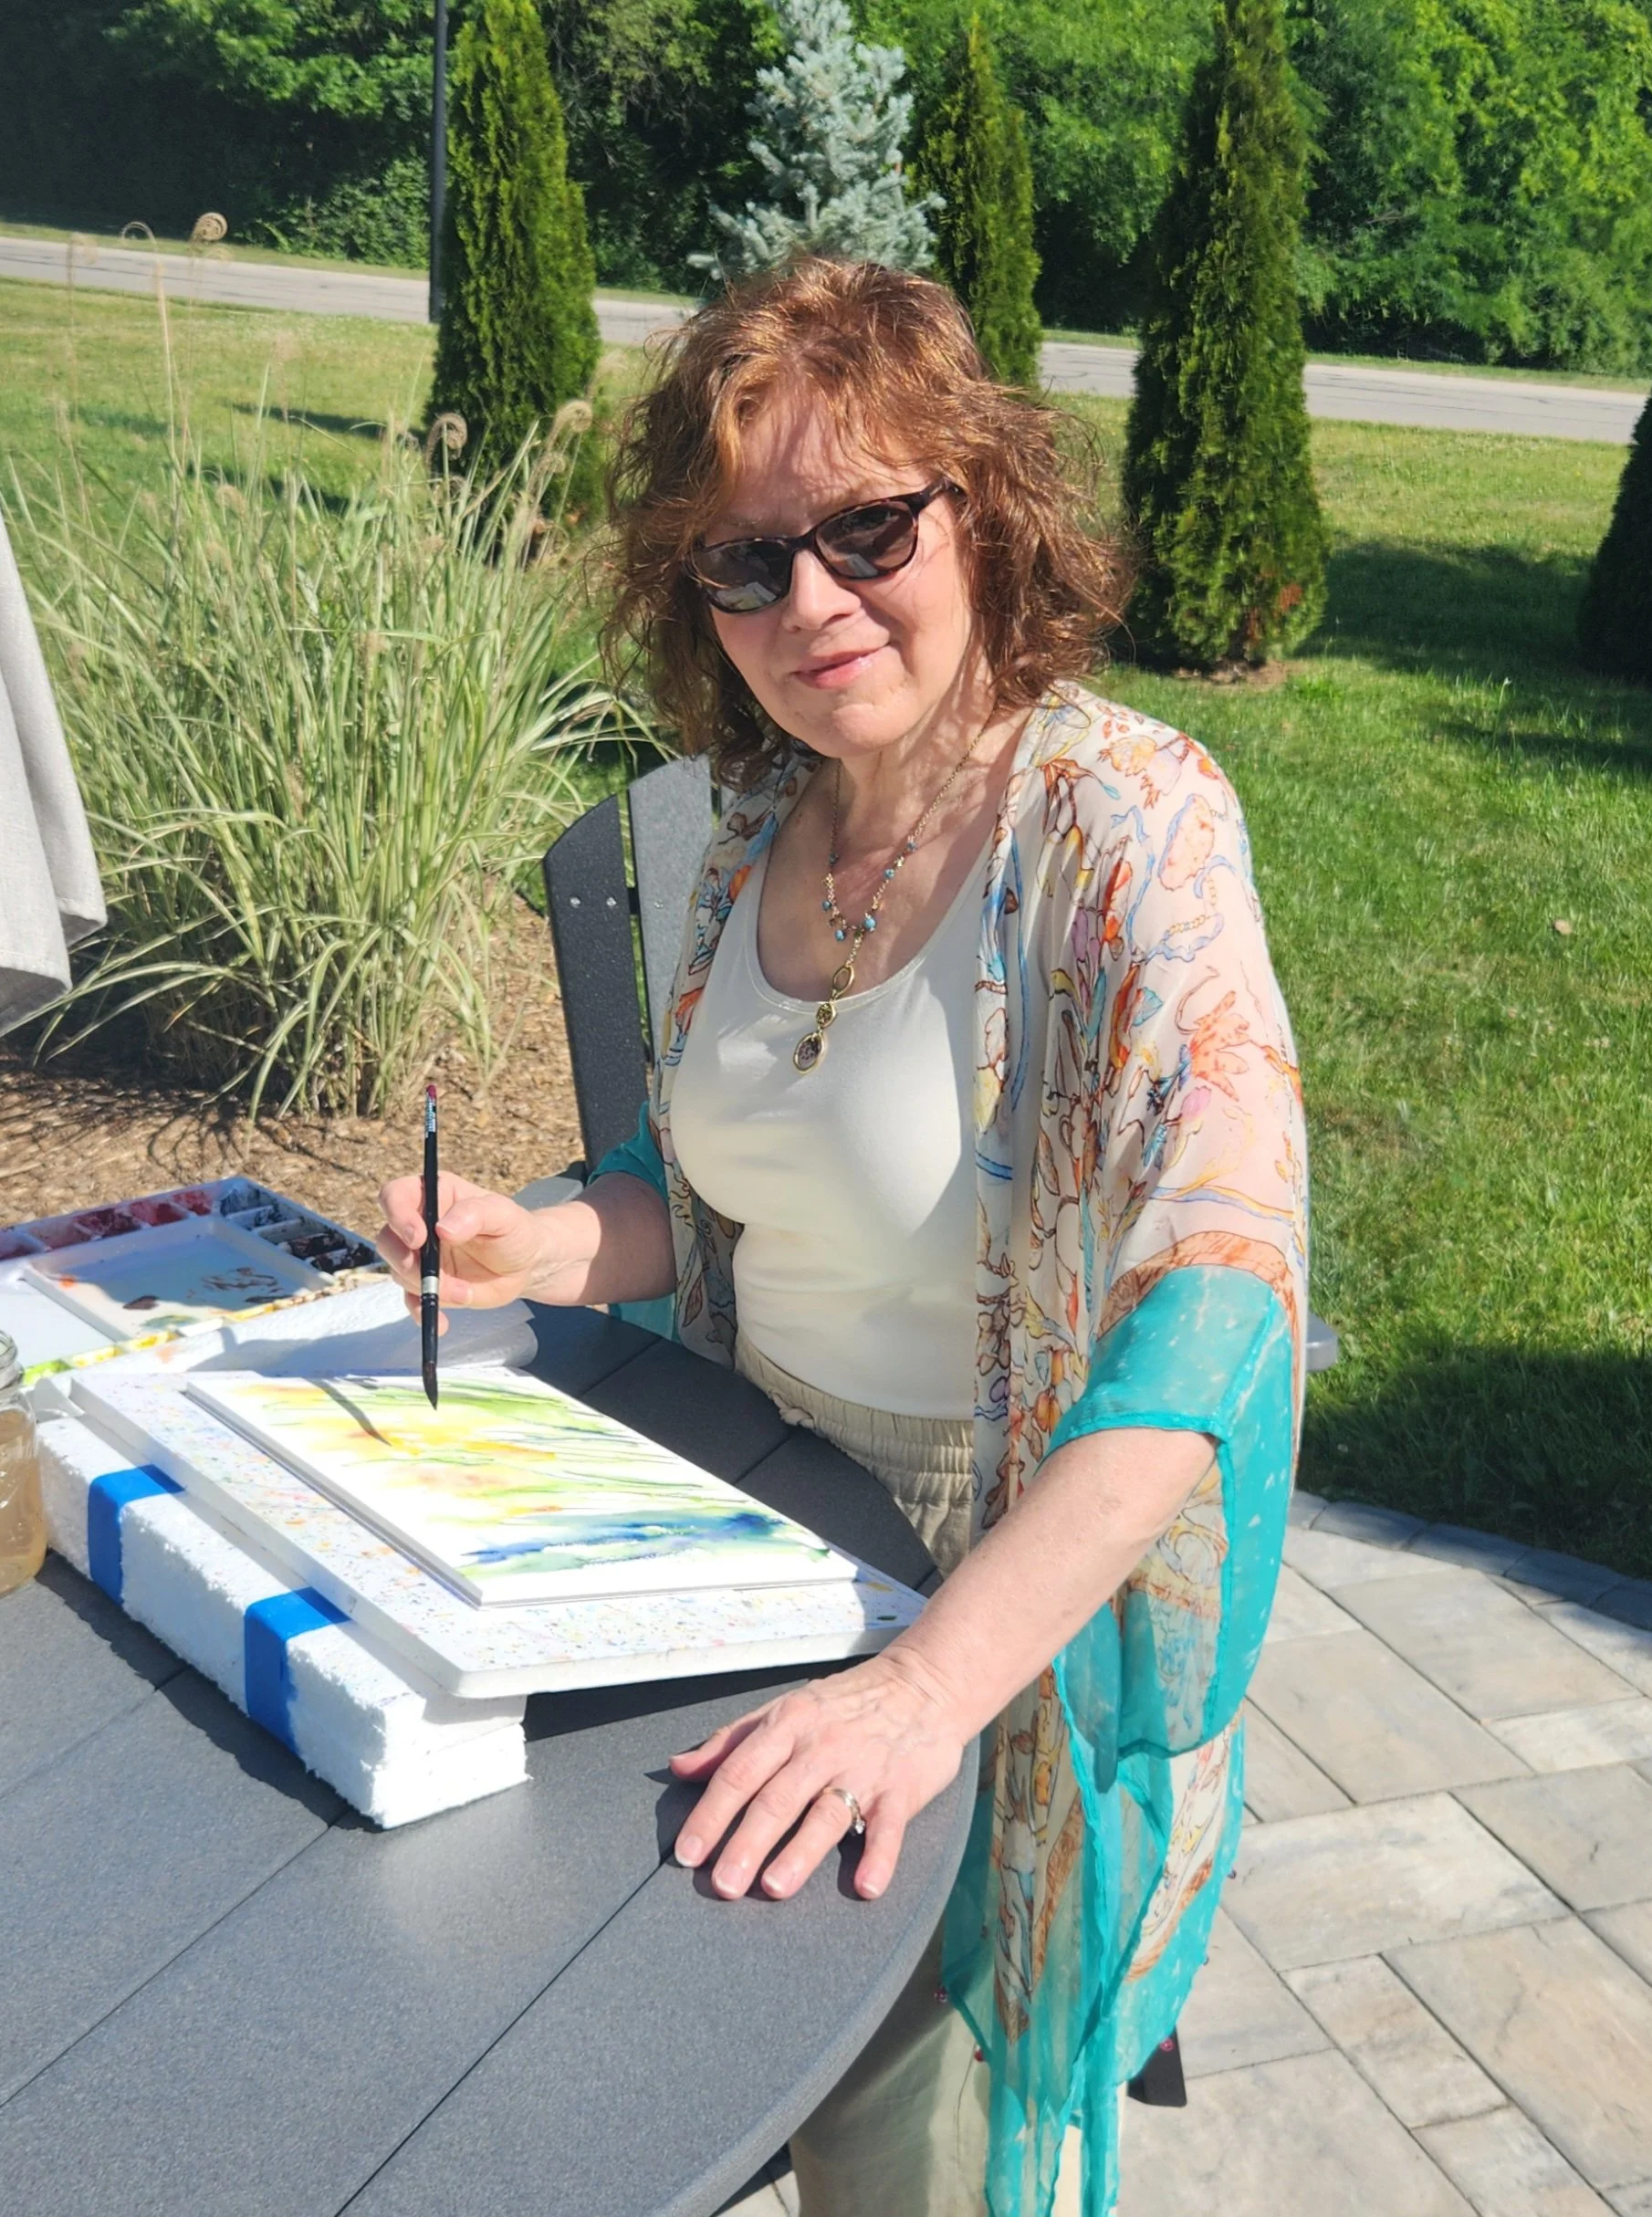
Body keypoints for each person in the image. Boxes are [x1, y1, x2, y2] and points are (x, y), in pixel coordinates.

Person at [377, 256, 1309, 2217]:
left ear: (983, 503)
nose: (807, 604)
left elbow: (1210, 1316)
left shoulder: (1127, 826)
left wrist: (925, 1690)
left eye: (865, 528)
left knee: (903, 2147)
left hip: (990, 1627)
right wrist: (532, 1246)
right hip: (737, 1543)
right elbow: (715, 1207)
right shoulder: (746, 823)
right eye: (743, 563)